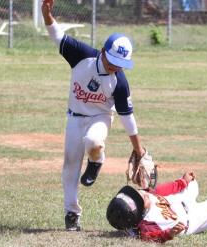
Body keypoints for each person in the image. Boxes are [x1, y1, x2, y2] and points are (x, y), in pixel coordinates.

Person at [41, 0, 149, 231]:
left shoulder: (119, 81)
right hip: (74, 118)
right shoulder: (82, 56)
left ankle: (96, 161)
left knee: (93, 141)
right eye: (113, 61)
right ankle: (72, 214)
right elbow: (57, 36)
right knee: (70, 167)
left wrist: (138, 149)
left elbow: (127, 116)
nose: (116, 67)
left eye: (121, 64)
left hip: (100, 118)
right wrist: (46, 14)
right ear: (103, 52)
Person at [106, 171, 207, 243]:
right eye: (138, 199)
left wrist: (183, 181)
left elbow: (162, 190)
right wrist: (170, 233)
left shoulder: (146, 196)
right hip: (191, 218)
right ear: (137, 215)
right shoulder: (146, 227)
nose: (141, 194)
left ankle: (189, 189)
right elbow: (154, 236)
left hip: (181, 199)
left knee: (192, 180)